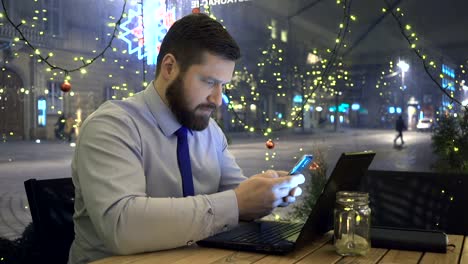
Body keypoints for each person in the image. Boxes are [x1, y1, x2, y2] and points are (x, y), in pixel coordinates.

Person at [68, 13, 305, 264]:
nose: (217, 99)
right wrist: (236, 203)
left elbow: (238, 197)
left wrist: (265, 195)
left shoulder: (210, 132)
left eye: (223, 85)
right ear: (169, 67)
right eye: (209, 82)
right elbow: (122, 228)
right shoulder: (112, 126)